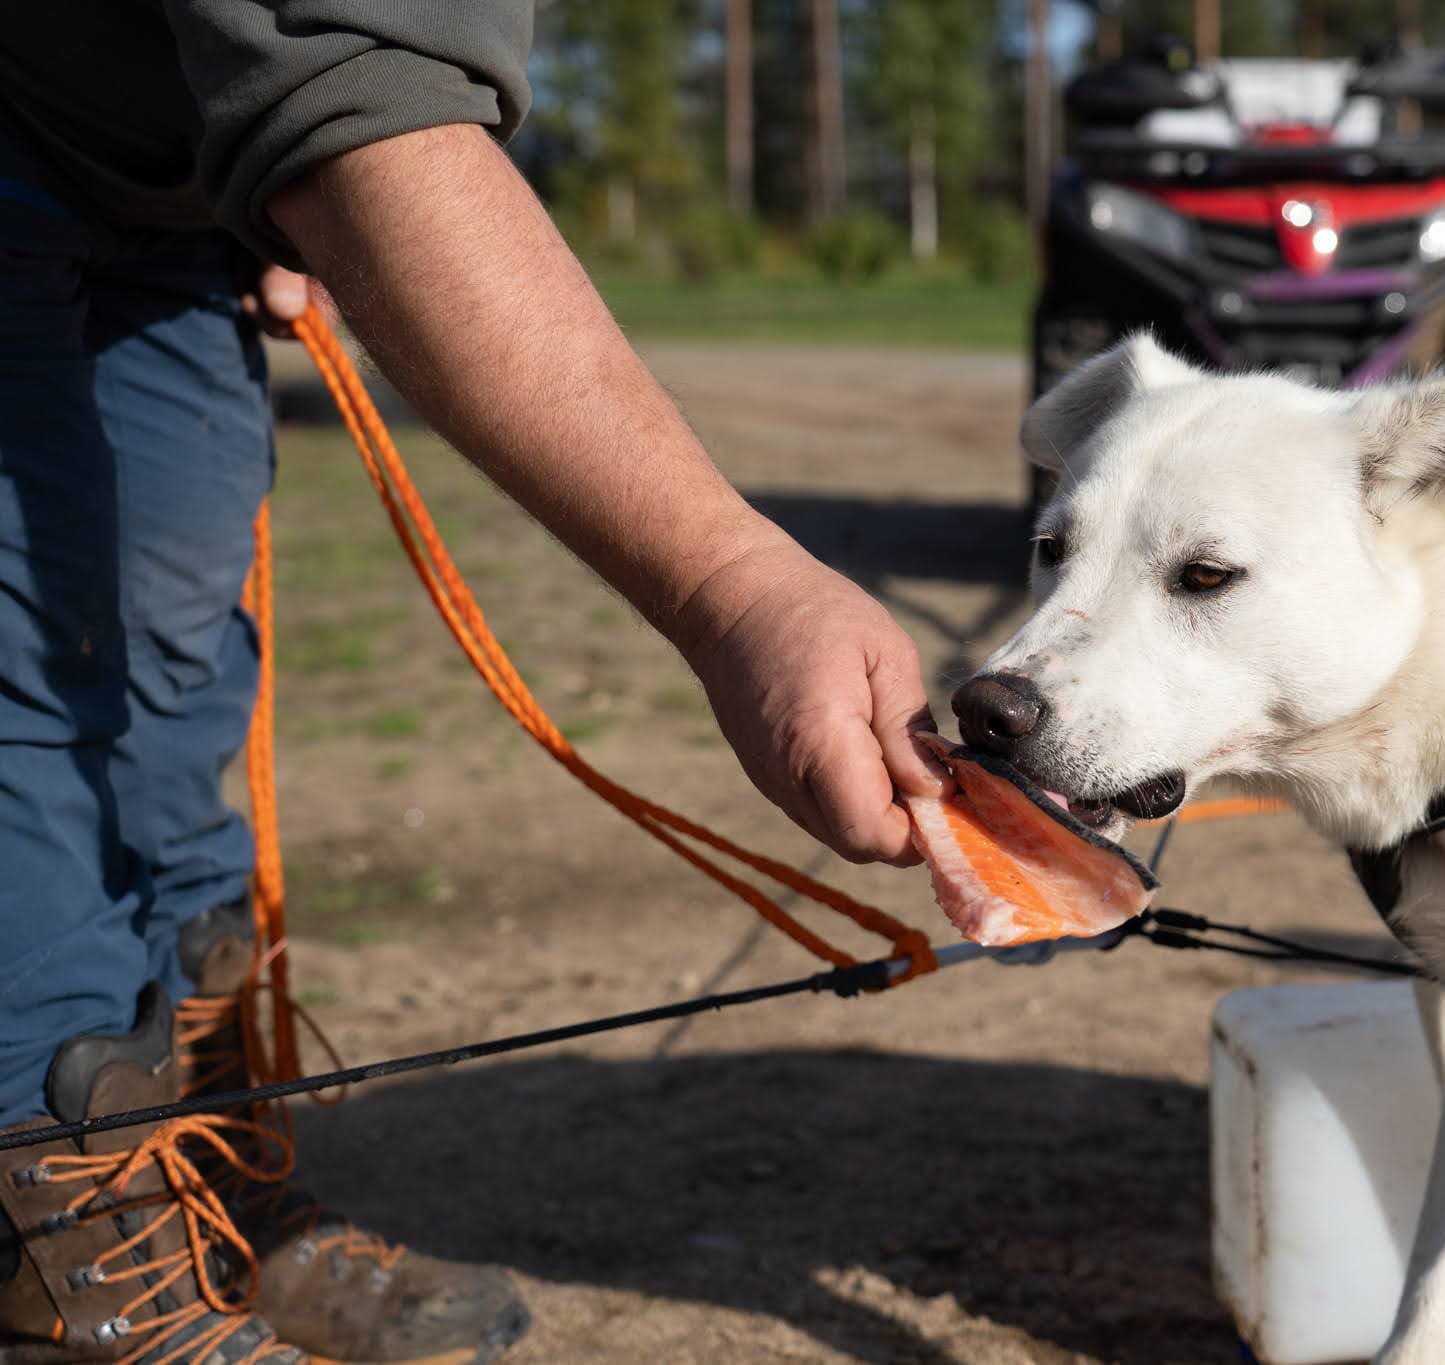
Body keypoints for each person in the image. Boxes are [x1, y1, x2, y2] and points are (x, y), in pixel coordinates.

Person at [0, 6, 943, 1363]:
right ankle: (63, 1254)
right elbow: (357, 81)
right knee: (27, 679)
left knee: (173, 645)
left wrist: (264, 180)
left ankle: (195, 1188)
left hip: (149, 184)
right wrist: (740, 587)